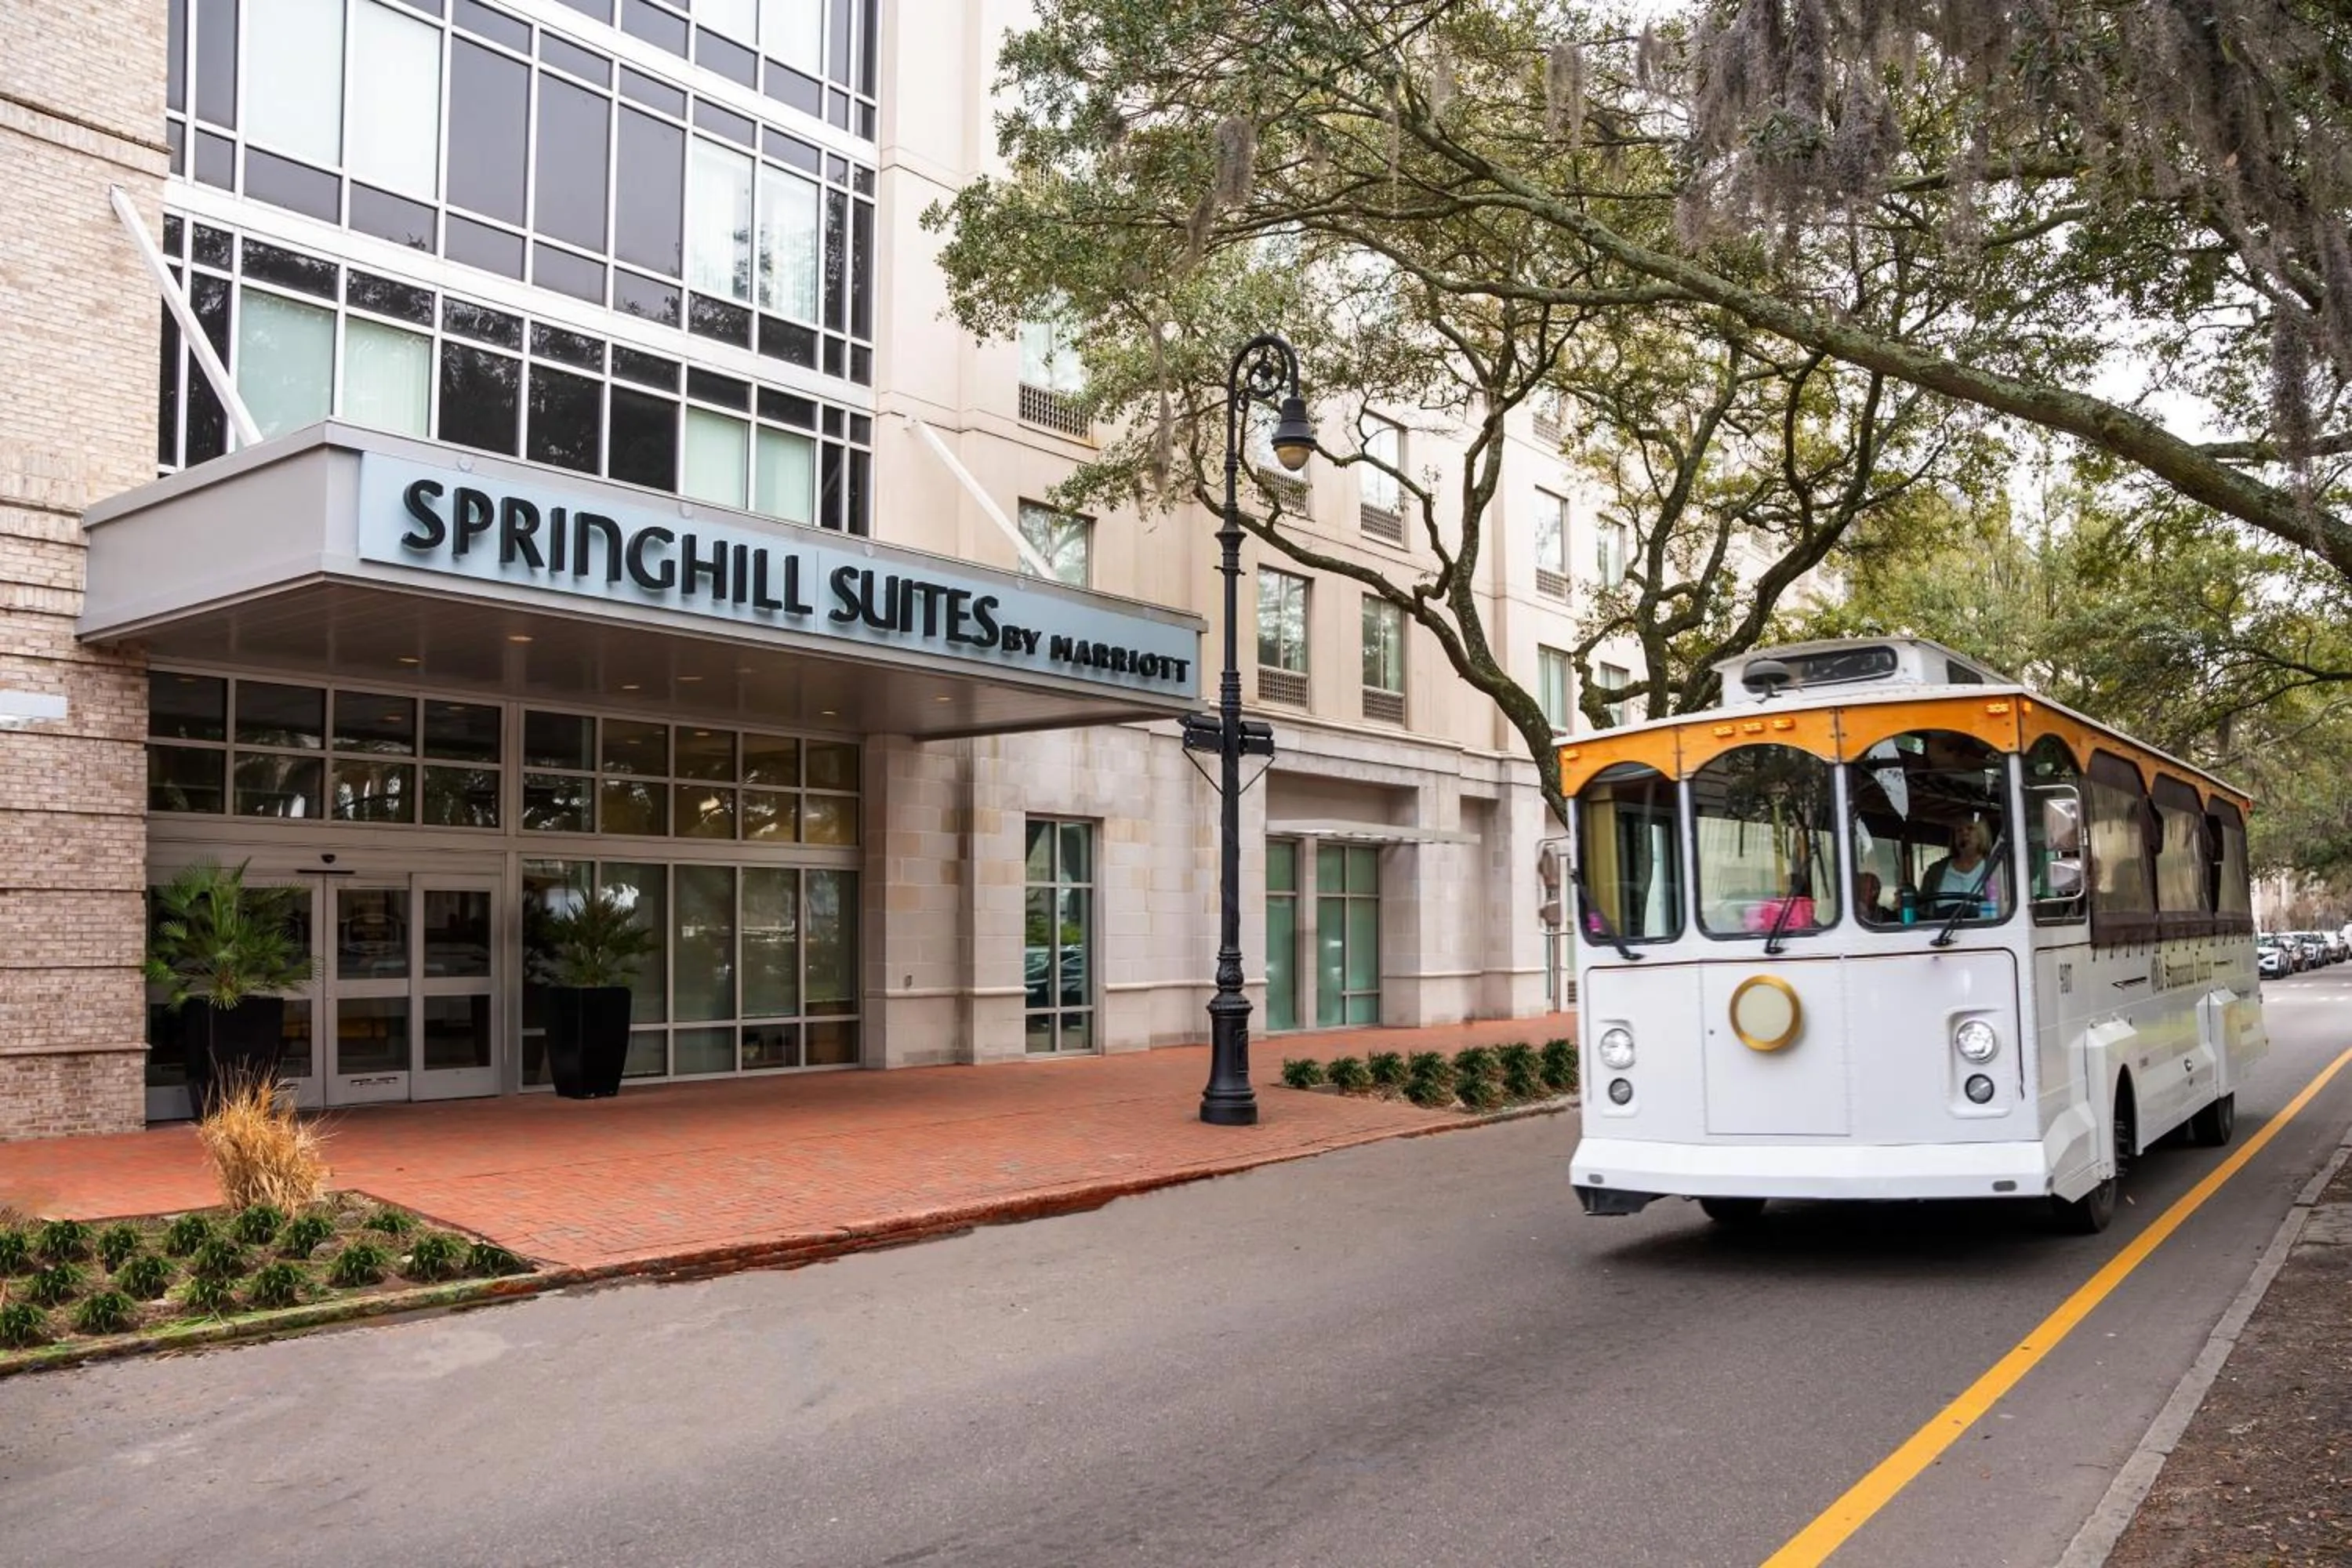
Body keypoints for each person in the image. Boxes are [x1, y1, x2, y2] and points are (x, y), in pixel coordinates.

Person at [1919, 819, 2004, 915]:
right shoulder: (1935, 871)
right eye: (1959, 830)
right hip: (1943, 928)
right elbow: (1923, 909)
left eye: (1970, 828)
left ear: (1982, 835)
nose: (1964, 833)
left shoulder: (1996, 867)